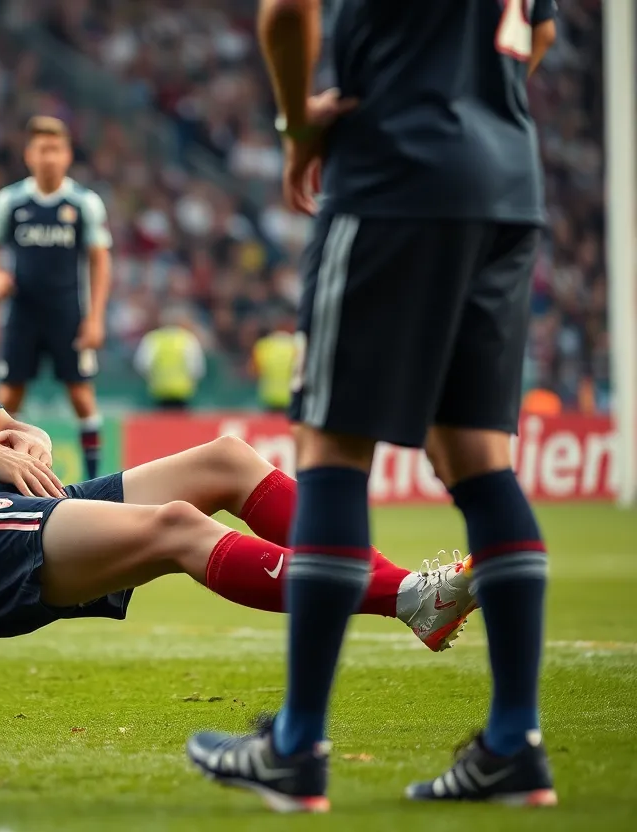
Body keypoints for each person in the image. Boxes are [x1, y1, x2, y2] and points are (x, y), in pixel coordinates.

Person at [0, 135, 475, 657]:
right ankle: (408, 598)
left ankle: (415, 593)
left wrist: (24, 437)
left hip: (6, 509)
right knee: (176, 527)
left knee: (227, 459)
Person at [187, 0, 560, 812]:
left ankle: (296, 748)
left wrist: (298, 126)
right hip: (508, 186)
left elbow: (287, 13)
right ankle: (514, 744)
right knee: (478, 461)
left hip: (394, 175)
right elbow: (543, 30)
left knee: (332, 457)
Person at [0, 116, 111, 480]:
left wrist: (96, 317)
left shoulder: (83, 203)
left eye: (55, 149)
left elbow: (100, 260)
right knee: (8, 398)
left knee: (81, 396)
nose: (48, 157)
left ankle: (94, 479)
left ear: (67, 156)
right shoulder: (11, 201)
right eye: (41, 149)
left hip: (68, 311)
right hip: (22, 312)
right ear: (29, 155)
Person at [133, 306, 207, 410]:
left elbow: (142, 365)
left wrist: (151, 378)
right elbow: (197, 368)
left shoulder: (153, 339)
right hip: (183, 392)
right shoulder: (187, 339)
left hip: (158, 392)